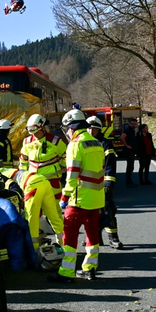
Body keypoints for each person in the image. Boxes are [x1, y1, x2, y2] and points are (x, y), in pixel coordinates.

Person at [48, 108, 105, 283]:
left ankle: (67, 272)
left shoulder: (75, 144)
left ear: (71, 128)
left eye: (67, 129)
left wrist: (64, 198)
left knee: (70, 235)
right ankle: (90, 268)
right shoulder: (96, 143)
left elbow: (72, 175)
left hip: (78, 199)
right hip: (96, 198)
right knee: (92, 234)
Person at [87, 116, 124, 250]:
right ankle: (95, 239)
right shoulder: (84, 143)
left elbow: (110, 165)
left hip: (102, 184)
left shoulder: (105, 143)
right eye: (89, 128)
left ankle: (113, 239)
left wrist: (108, 183)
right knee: (91, 213)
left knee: (108, 211)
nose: (91, 131)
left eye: (94, 129)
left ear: (99, 130)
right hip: (88, 185)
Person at [19, 113, 67, 201]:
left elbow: (66, 158)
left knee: (55, 210)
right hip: (34, 181)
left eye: (36, 132)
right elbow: (23, 160)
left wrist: (61, 168)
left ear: (43, 128)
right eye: (33, 133)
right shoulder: (27, 142)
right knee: (36, 209)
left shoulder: (55, 142)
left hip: (52, 182)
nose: (35, 135)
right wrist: (23, 177)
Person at [120, 117, 138, 188]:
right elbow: (122, 137)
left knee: (131, 166)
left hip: (131, 151)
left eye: (135, 124)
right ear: (129, 124)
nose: (134, 125)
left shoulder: (132, 130)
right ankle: (128, 181)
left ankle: (129, 181)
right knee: (130, 166)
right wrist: (127, 145)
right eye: (132, 124)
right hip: (129, 151)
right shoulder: (128, 130)